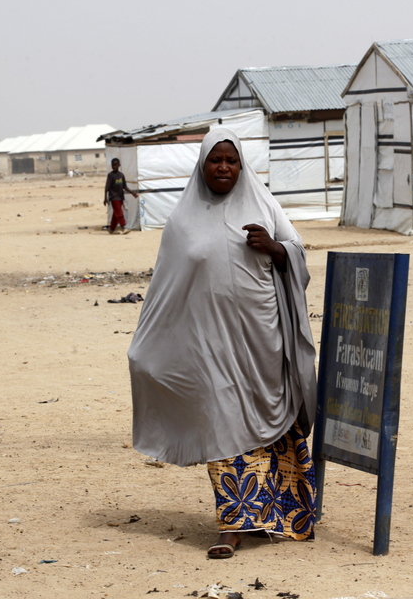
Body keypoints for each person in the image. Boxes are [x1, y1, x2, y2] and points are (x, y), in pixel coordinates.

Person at [127, 129, 318, 559]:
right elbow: (166, 289)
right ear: (202, 164)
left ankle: (281, 516)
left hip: (264, 342)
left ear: (241, 164)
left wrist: (275, 248)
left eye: (231, 160)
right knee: (221, 420)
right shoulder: (181, 221)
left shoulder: (263, 202)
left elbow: (298, 252)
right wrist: (147, 347)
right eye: (216, 160)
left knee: (271, 422)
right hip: (208, 347)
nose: (224, 168)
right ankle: (231, 525)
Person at [104, 158, 138, 234]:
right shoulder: (110, 175)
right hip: (113, 197)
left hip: (120, 197)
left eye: (116, 165)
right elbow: (107, 187)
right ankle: (123, 227)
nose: (114, 167)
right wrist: (105, 198)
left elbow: (125, 187)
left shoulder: (121, 175)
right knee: (119, 212)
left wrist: (133, 193)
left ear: (119, 165)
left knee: (116, 213)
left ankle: (111, 229)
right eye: (113, 165)